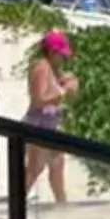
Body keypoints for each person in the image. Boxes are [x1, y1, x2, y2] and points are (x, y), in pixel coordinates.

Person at [24, 29, 80, 203]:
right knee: (34, 169)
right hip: (39, 125)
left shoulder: (52, 69)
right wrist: (63, 92)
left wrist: (69, 84)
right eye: (61, 54)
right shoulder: (41, 67)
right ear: (52, 52)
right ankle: (16, 202)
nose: (63, 58)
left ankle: (62, 205)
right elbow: (39, 99)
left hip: (51, 125)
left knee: (57, 168)